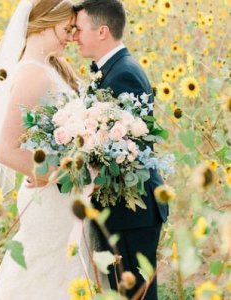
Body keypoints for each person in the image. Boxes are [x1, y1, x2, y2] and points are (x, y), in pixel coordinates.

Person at [0, 0, 93, 299]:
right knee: (40, 277)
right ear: (44, 22)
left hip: (64, 197)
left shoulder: (51, 66)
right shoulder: (33, 73)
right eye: (66, 29)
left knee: (63, 277)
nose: (71, 36)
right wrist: (59, 173)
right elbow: (6, 149)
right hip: (52, 198)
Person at [73, 0, 169, 299]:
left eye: (79, 30)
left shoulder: (123, 74)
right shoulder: (112, 69)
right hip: (123, 210)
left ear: (102, 31)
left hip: (131, 211)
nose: (74, 36)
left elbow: (129, 149)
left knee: (135, 295)